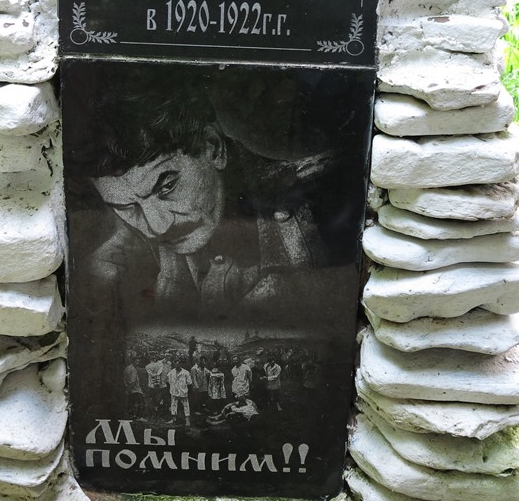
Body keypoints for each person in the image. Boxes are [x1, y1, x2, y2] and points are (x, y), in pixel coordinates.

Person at [73, 69, 343, 324]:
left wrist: (311, 292)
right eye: (127, 207)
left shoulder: (325, 197)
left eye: (167, 187)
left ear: (213, 148)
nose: (157, 226)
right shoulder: (126, 256)